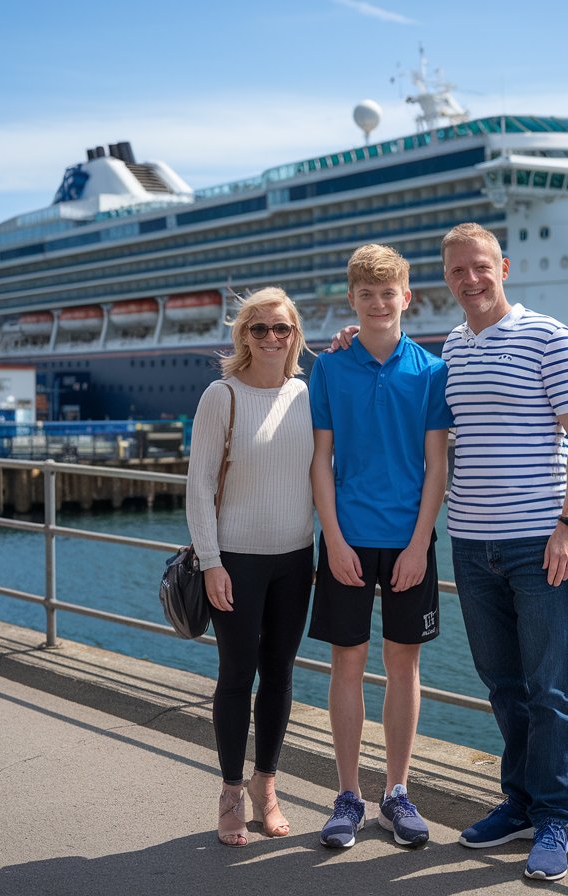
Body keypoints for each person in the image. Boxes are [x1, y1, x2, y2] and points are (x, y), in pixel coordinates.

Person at [442, 223, 568, 882]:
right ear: (446, 279)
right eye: (458, 272)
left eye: (481, 267)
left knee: (550, 689)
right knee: (503, 685)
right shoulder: (451, 345)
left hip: (537, 543)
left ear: (502, 266)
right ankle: (518, 803)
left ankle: (555, 816)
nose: (471, 280)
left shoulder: (548, 335)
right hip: (470, 543)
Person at [308, 243, 452, 849]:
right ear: (352, 300)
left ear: (406, 298)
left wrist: (420, 543)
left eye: (386, 293)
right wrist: (334, 539)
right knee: (346, 663)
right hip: (346, 539)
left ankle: (397, 792)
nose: (376, 303)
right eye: (365, 294)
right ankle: (348, 795)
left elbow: (436, 465)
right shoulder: (329, 367)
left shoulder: (431, 370)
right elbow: (320, 462)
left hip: (408, 541)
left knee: (403, 665)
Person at [185, 287, 315, 847]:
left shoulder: (308, 394)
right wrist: (211, 562)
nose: (270, 338)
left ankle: (268, 786)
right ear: (243, 336)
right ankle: (231, 791)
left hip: (295, 557)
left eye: (280, 329)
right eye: (258, 329)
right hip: (235, 559)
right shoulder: (222, 395)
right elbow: (199, 484)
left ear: (295, 335)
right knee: (237, 676)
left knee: (281, 674)